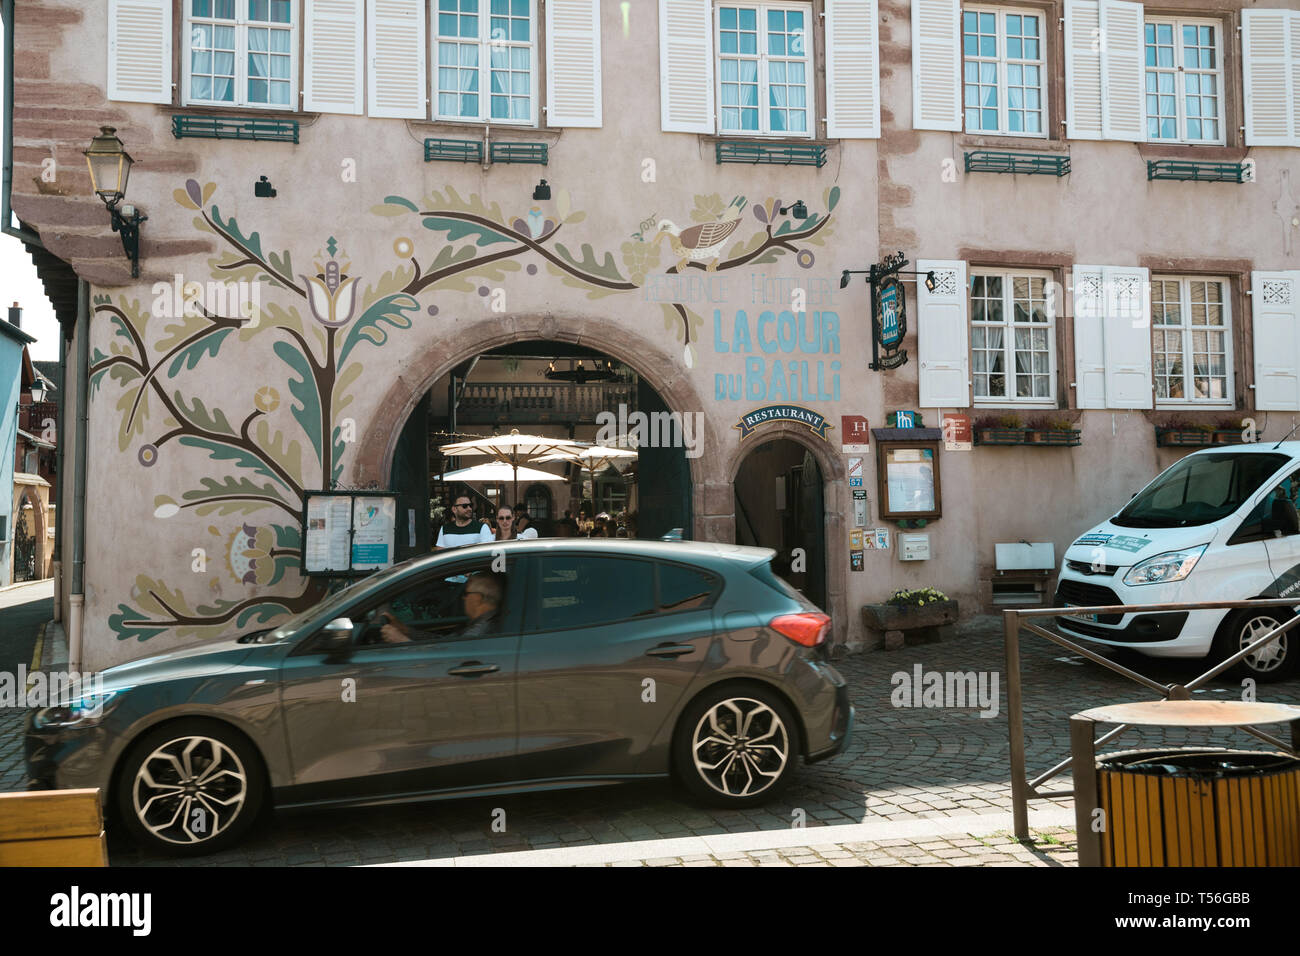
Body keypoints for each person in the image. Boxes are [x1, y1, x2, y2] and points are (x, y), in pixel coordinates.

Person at [381, 572, 503, 643]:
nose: (463, 598)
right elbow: (443, 642)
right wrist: (406, 631)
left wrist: (402, 641)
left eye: (465, 594)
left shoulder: (478, 633)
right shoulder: (483, 624)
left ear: (478, 599)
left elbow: (443, 658)